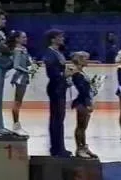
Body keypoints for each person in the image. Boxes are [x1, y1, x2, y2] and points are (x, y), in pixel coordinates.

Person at [43, 29, 73, 157]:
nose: (62, 38)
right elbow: (52, 73)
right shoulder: (50, 53)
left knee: (59, 118)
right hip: (56, 87)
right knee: (57, 118)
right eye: (60, 36)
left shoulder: (57, 52)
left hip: (60, 86)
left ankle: (59, 146)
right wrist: (64, 74)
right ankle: (56, 148)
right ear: (53, 39)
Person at [70, 51, 98, 159]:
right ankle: (79, 148)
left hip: (85, 101)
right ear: (80, 59)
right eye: (86, 58)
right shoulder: (76, 73)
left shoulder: (81, 72)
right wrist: (88, 103)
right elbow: (81, 90)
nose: (88, 61)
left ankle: (84, 147)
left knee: (83, 127)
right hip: (81, 102)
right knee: (80, 126)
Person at [8, 30, 34, 136]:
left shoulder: (24, 49)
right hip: (20, 77)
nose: (26, 39)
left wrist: (32, 64)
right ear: (17, 39)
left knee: (19, 102)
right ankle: (16, 126)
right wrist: (28, 71)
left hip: (23, 77)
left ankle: (17, 125)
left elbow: (26, 62)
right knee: (17, 102)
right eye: (23, 37)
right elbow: (16, 65)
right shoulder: (17, 50)